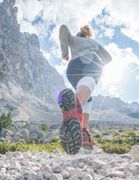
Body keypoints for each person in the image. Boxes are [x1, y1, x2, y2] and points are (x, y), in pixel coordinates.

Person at [57, 24, 112, 154]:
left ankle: (84, 130)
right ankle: (75, 110)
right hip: (92, 62)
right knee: (88, 84)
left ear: (78, 35)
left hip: (73, 68)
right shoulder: (93, 42)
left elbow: (64, 28)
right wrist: (98, 63)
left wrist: (65, 52)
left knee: (88, 98)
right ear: (87, 35)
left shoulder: (75, 40)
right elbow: (108, 58)